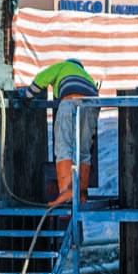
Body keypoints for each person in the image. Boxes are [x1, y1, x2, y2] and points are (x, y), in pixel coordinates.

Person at [28, 57, 99, 205]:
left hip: (70, 101)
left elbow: (42, 78)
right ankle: (81, 194)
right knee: (84, 150)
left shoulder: (63, 67)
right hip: (92, 105)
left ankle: (66, 192)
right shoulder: (88, 77)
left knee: (64, 146)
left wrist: (28, 94)